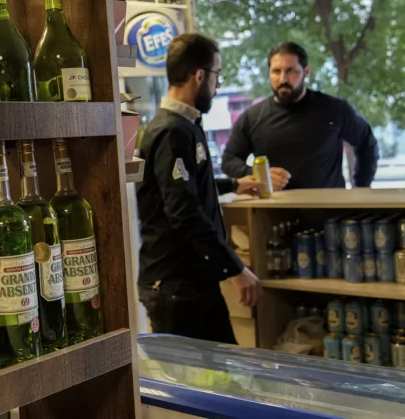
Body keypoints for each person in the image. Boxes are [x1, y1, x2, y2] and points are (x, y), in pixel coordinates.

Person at [138, 33, 263, 344]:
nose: (217, 86)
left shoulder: (186, 125)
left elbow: (188, 188)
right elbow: (184, 211)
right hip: (175, 287)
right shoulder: (171, 131)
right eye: (217, 75)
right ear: (199, 76)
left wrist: (235, 184)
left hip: (193, 282)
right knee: (198, 373)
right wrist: (235, 268)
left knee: (222, 367)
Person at [222, 42, 378, 190]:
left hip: (329, 206)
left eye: (291, 71)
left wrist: (361, 188)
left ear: (306, 72)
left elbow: (367, 142)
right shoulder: (252, 118)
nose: (283, 79)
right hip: (274, 207)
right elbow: (229, 160)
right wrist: (258, 175)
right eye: (276, 71)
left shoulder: (333, 110)